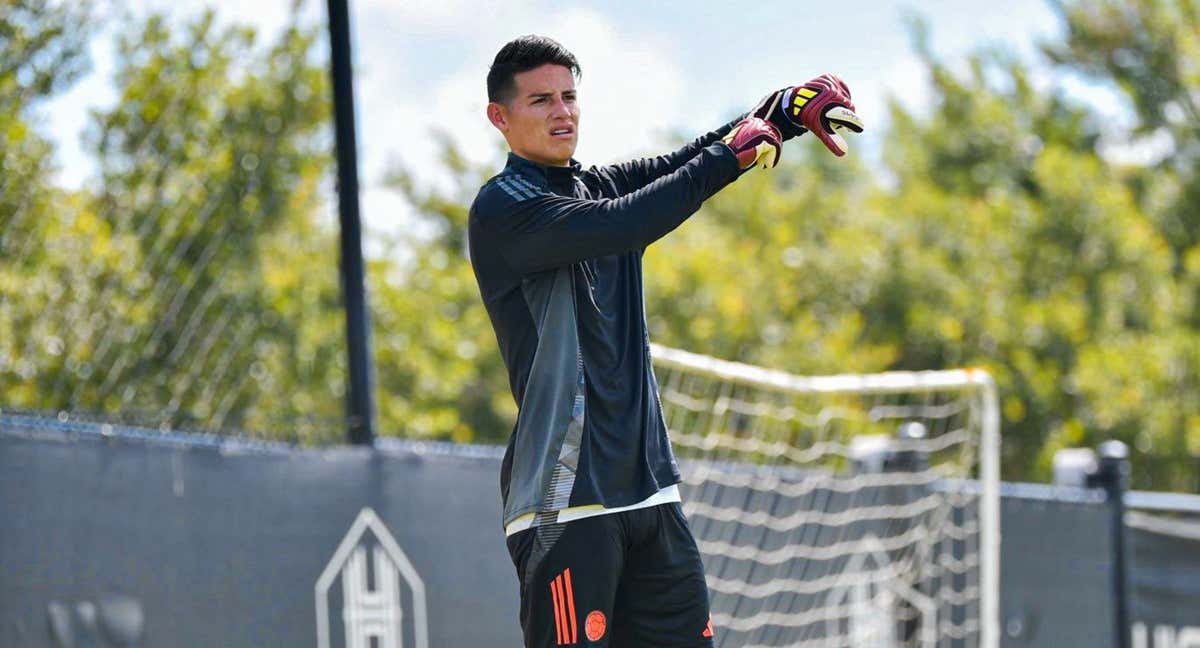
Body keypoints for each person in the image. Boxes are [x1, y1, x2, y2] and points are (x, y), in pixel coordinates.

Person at [468, 34, 861, 648]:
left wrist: (783, 113)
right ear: (500, 117)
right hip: (566, 505)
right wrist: (728, 159)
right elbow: (629, 222)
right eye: (540, 100)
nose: (562, 111)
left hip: (650, 492)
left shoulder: (597, 185)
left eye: (569, 96)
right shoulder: (502, 207)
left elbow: (687, 162)